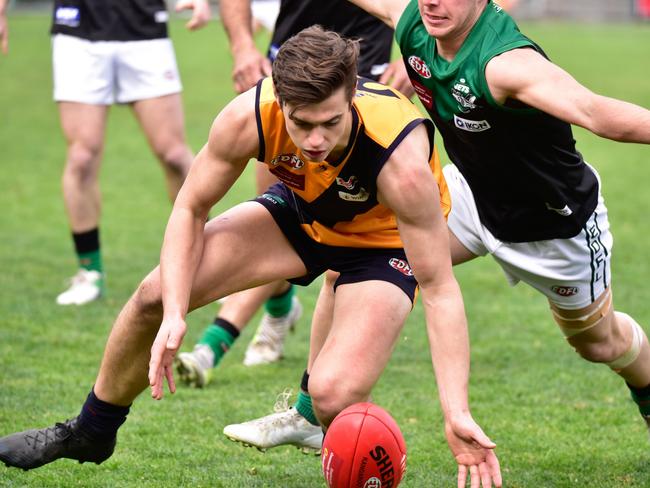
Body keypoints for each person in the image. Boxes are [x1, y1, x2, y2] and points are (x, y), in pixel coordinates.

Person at [0, 26, 502, 487]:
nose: (316, 141)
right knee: (154, 294)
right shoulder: (249, 114)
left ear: (351, 95)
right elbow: (190, 207)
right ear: (279, 98)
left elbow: (439, 290)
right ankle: (90, 430)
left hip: (381, 242)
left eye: (330, 122)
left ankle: (312, 413)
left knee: (332, 395)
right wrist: (177, 311)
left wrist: (455, 411)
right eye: (302, 124)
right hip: (305, 213)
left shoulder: (400, 161)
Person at [225, 0, 650, 475]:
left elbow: (597, 113)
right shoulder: (415, 21)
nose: (432, 1)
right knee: (354, 249)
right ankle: (308, 417)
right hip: (467, 196)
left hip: (551, 227)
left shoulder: (507, 64)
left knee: (600, 344)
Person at [175, 0, 415, 384]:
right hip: (287, 74)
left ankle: (213, 344)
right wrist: (241, 45)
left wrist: (417, 55)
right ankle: (279, 312)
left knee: (342, 237)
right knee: (280, 219)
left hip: (361, 76)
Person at [0, 0, 211, 306]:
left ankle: (206, 261)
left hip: (143, 30)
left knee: (175, 156)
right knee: (81, 157)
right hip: (78, 31)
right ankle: (90, 272)